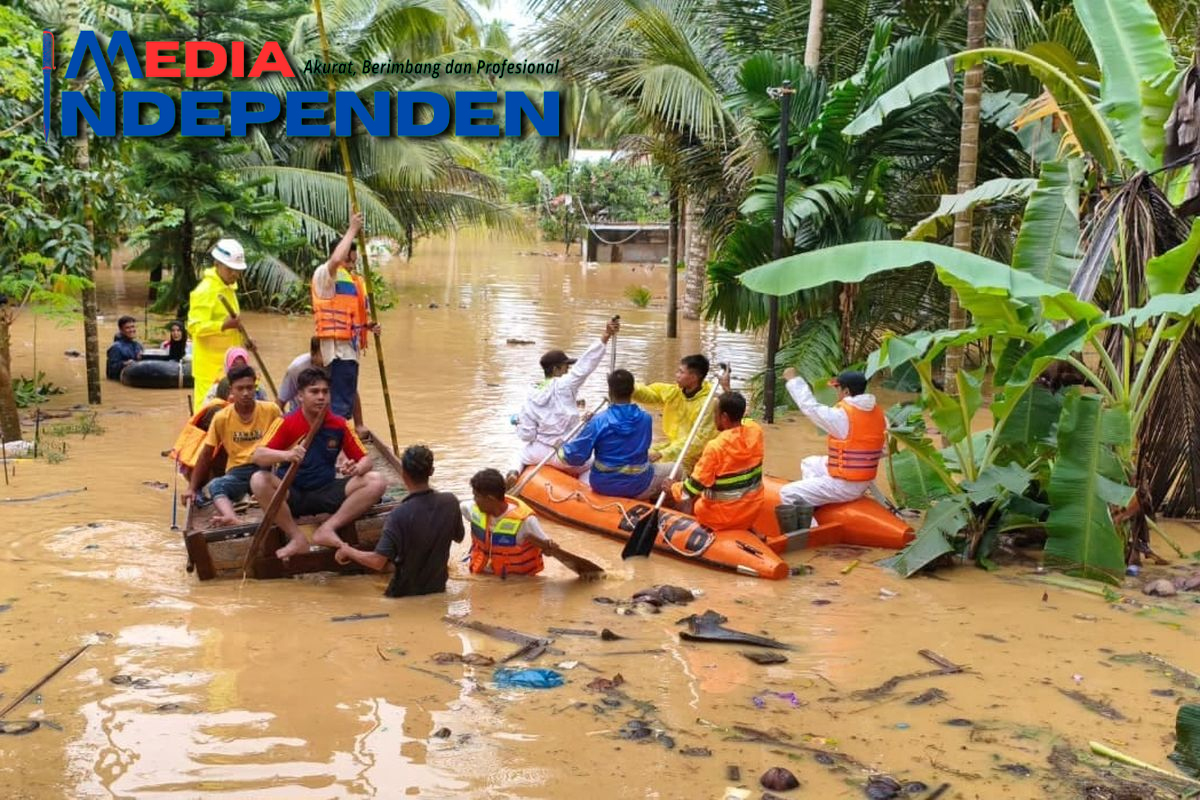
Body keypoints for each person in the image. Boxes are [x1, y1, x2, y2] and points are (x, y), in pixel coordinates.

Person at [250, 367, 387, 559]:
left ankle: (327, 529)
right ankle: (297, 538)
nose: (321, 397)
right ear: (300, 396)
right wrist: (287, 455)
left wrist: (357, 468)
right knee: (258, 480)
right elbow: (257, 455)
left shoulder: (338, 424)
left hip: (325, 490)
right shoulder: (286, 422)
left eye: (325, 392)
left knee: (376, 481)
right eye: (314, 392)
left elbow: (365, 460)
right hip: (291, 492)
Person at [334, 444, 464, 597]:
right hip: (437, 589)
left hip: (402, 596)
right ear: (431, 471)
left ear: (404, 474)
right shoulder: (450, 502)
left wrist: (348, 550)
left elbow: (377, 562)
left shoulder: (398, 515)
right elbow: (459, 537)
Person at [507, 317, 620, 485]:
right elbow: (585, 365)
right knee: (593, 464)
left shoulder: (531, 393)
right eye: (565, 367)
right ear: (556, 369)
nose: (568, 370)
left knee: (520, 454)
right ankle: (582, 487)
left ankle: (513, 472)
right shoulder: (565, 385)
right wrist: (605, 336)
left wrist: (519, 424)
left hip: (540, 452)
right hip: (565, 454)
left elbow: (527, 434)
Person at [182, 364, 281, 527]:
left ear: (255, 388)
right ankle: (230, 516)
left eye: (250, 388)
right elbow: (206, 454)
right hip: (238, 472)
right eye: (240, 388)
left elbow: (286, 441)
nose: (246, 393)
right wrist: (192, 488)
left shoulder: (271, 410)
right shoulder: (221, 417)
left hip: (265, 468)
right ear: (231, 391)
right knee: (216, 485)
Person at [779, 367, 886, 510]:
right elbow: (883, 449)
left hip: (846, 486)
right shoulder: (879, 415)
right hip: (864, 481)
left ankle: (812, 529)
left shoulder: (842, 416)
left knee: (787, 493)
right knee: (809, 463)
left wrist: (793, 380)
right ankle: (815, 503)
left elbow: (809, 407)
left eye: (838, 389)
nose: (837, 393)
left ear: (846, 392)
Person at [311, 212, 379, 424]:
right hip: (337, 354)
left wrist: (368, 327)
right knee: (339, 409)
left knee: (343, 403)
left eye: (353, 262)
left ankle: (341, 442)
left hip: (349, 352)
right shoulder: (326, 274)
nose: (350, 265)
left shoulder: (352, 281)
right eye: (348, 261)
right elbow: (336, 260)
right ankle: (337, 452)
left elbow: (353, 318)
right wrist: (352, 230)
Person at [663, 392, 765, 531]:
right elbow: (744, 418)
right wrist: (726, 388)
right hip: (752, 512)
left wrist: (672, 488)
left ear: (724, 417)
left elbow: (690, 490)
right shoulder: (755, 431)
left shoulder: (716, 447)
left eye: (715, 413)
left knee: (691, 497)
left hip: (720, 518)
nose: (713, 418)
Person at [559, 369, 660, 499]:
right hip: (638, 483)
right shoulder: (646, 418)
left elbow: (575, 456)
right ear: (632, 390)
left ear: (610, 392)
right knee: (678, 469)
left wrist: (560, 449)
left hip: (604, 484)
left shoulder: (598, 421)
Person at [633, 354, 729, 475]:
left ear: (694, 377)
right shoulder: (675, 392)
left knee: (654, 467)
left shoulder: (709, 403)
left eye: (681, 372)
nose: (676, 375)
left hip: (694, 458)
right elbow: (649, 394)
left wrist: (664, 453)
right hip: (673, 448)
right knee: (638, 456)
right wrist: (629, 386)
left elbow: (698, 441)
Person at [461, 468, 556, 577]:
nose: (474, 500)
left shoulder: (526, 521)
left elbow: (547, 548)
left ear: (490, 499)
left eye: (476, 496)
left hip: (515, 582)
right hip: (481, 574)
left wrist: (549, 547)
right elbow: (459, 507)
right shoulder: (471, 509)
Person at [188, 238, 248, 406]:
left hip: (228, 367)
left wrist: (244, 343)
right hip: (209, 368)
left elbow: (233, 327)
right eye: (230, 269)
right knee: (206, 412)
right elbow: (195, 327)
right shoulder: (205, 291)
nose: (235, 274)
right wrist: (223, 325)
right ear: (217, 264)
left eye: (237, 270)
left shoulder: (229, 289)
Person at [203, 346, 268, 403]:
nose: (238, 369)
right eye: (234, 365)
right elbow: (207, 408)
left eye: (242, 365)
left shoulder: (257, 387)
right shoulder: (217, 387)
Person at [278, 337, 324, 413]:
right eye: (325, 354)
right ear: (313, 353)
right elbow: (280, 402)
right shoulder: (297, 368)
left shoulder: (338, 365)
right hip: (300, 415)